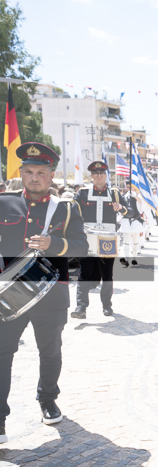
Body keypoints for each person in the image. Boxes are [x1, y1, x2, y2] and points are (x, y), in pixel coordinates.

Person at [0, 142, 89, 442]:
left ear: (51, 176)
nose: (34, 178)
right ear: (21, 173)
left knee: (50, 352)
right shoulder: (4, 203)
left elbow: (82, 247)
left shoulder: (66, 208)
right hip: (9, 295)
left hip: (51, 294)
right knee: (2, 353)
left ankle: (48, 399)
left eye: (41, 172)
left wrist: (55, 245)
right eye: (29, 172)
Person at [72, 161, 128, 318]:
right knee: (84, 273)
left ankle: (107, 305)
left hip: (107, 238)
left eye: (102, 173)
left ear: (106, 175)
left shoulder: (114, 193)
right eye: (95, 173)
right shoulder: (83, 193)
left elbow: (129, 211)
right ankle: (81, 307)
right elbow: (73, 213)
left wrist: (121, 208)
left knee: (107, 274)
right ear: (91, 176)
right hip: (88, 237)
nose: (98, 176)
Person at [119, 190, 145, 267]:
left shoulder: (138, 197)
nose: (128, 187)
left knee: (135, 242)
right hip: (126, 221)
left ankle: (134, 258)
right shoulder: (124, 197)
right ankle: (127, 260)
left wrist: (135, 196)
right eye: (127, 186)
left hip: (136, 221)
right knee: (126, 242)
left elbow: (142, 206)